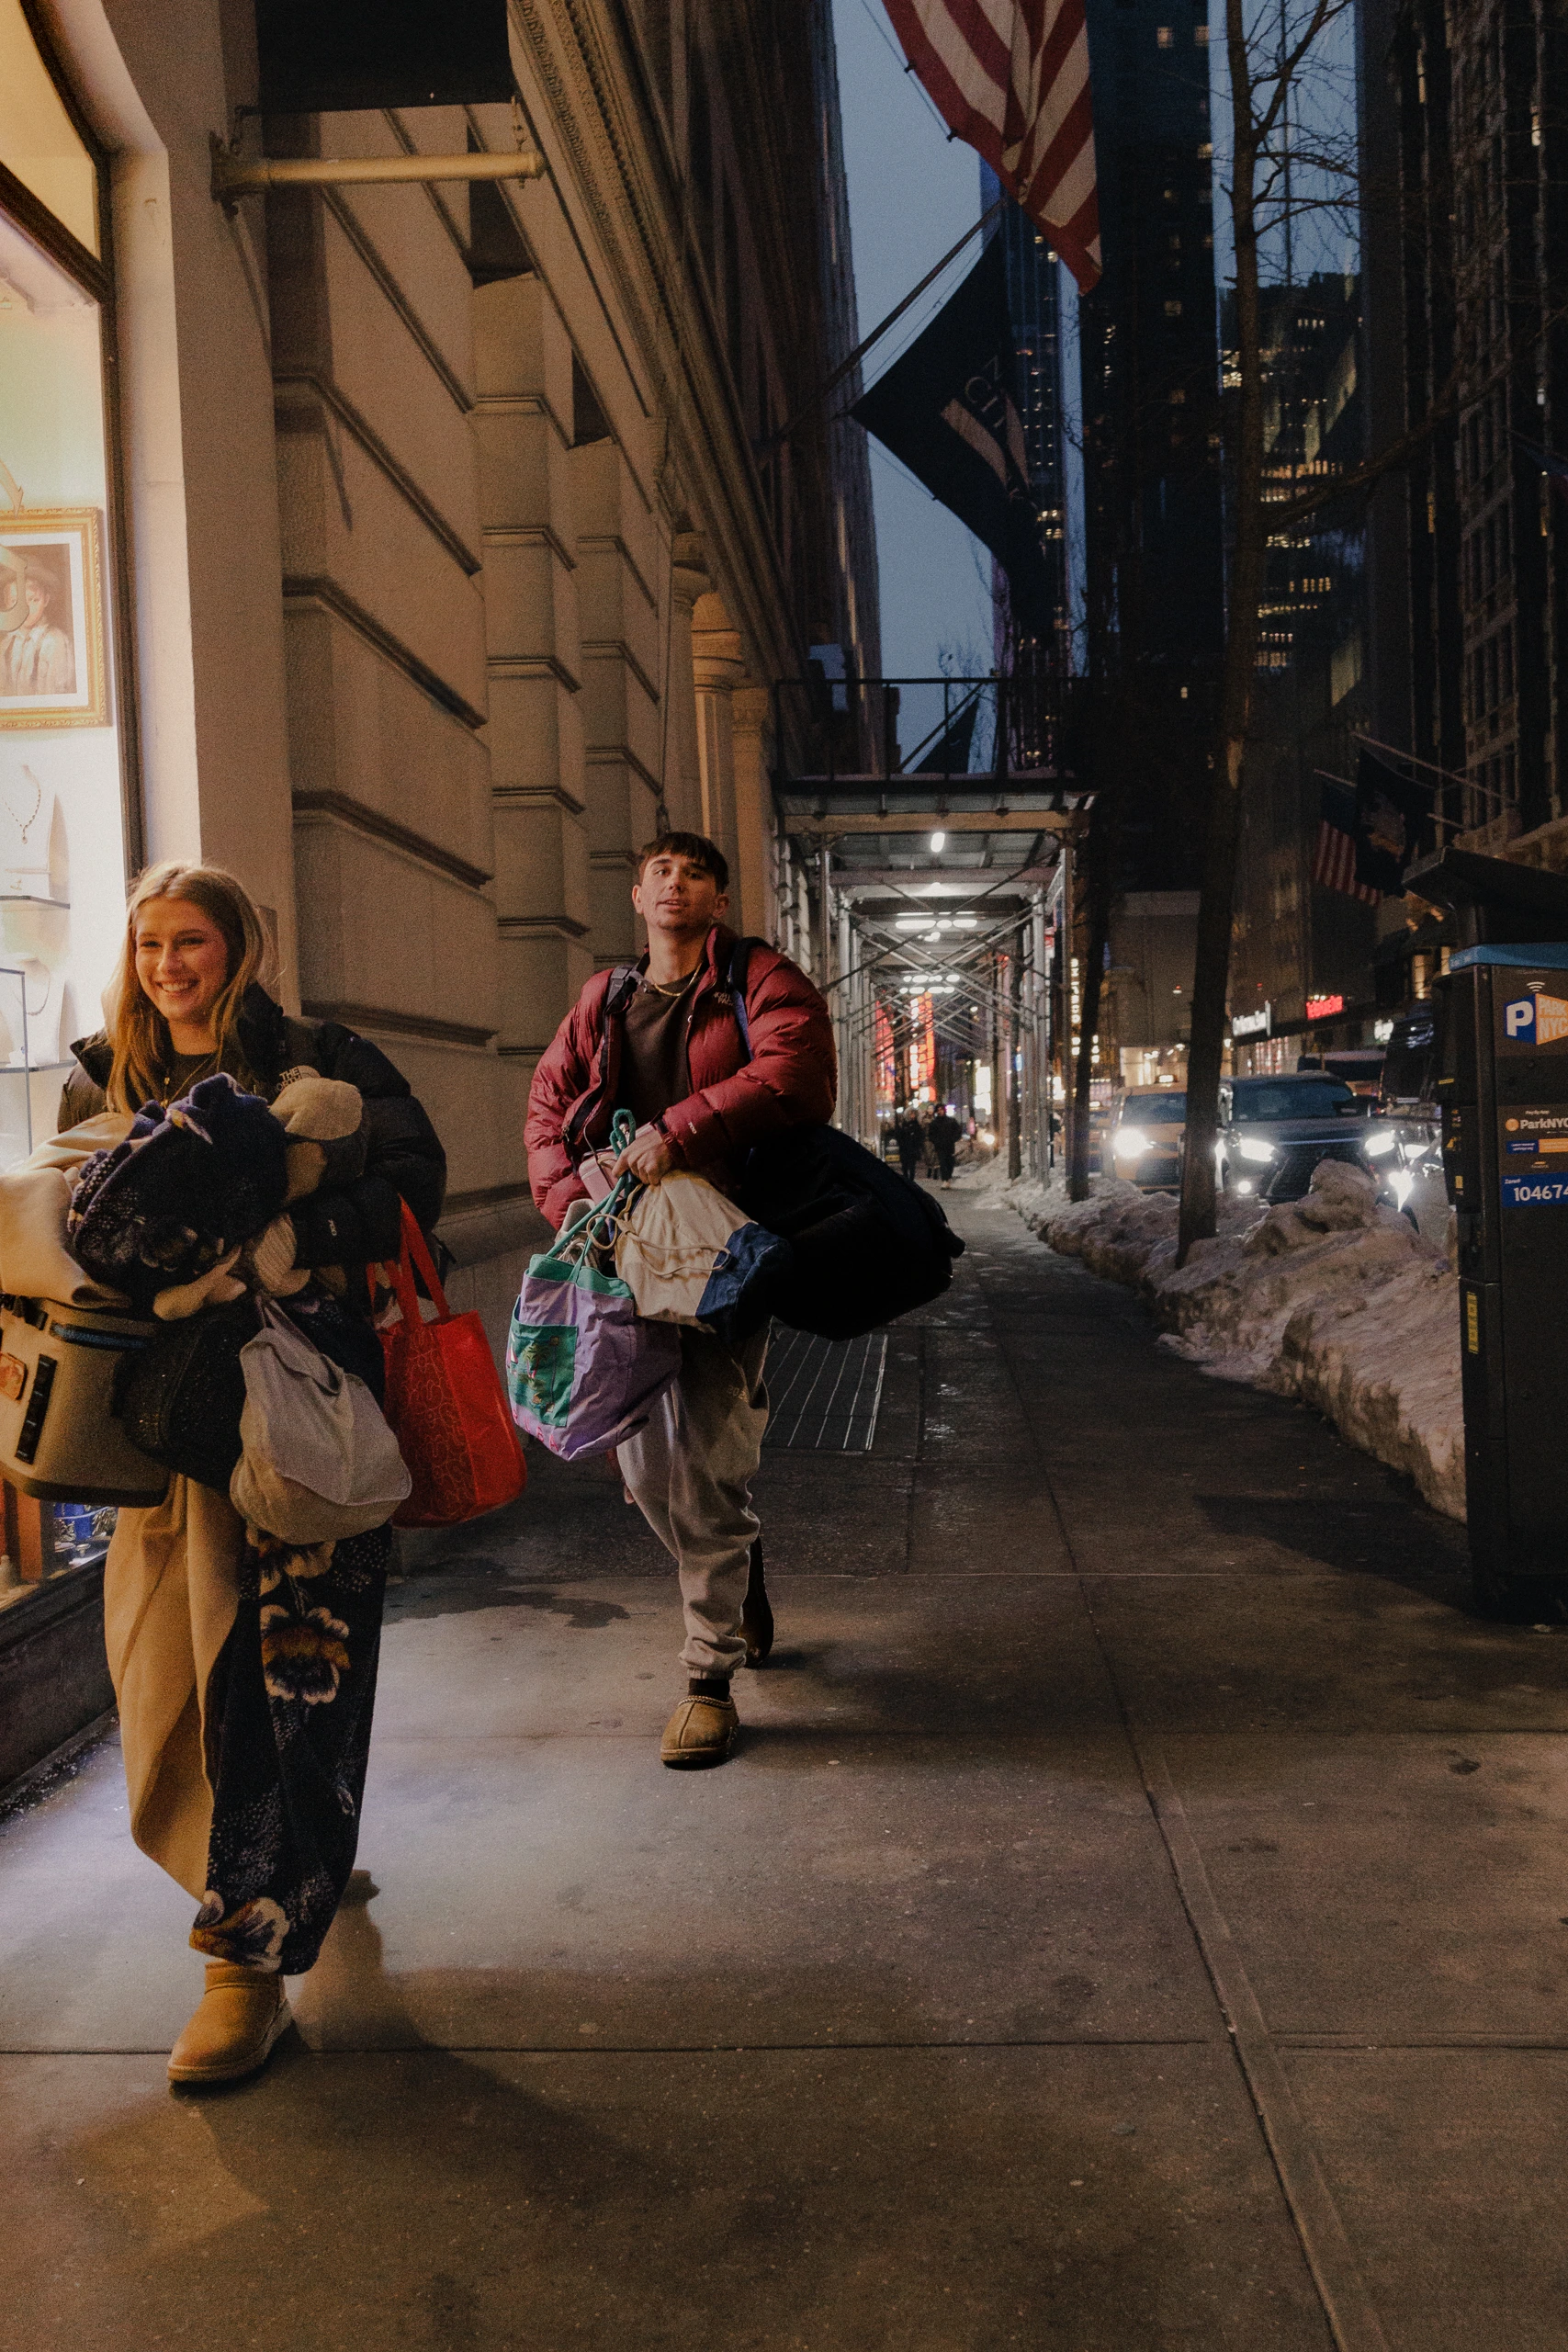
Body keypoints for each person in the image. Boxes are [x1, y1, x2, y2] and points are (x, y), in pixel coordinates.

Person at [58, 860, 446, 2085]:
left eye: (193, 942)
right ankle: (281, 1872)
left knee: (276, 1681)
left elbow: (412, 1191)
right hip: (152, 1426)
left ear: (242, 947)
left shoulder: (318, 1058)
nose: (169, 965)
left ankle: (244, 1960)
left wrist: (293, 1227)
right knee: (165, 1668)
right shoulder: (98, 1073)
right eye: (150, 943)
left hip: (292, 1413)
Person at [526, 831, 833, 1768]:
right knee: (646, 1474)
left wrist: (680, 1128)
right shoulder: (605, 998)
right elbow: (547, 1107)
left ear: (719, 898)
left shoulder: (758, 979)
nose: (676, 884)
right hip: (622, 1257)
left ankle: (707, 1678)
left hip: (724, 1255)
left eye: (695, 872)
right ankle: (735, 1562)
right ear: (636, 895)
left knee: (701, 1460)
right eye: (662, 870)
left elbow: (795, 1071)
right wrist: (569, 1200)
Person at [928, 1107, 962, 1185]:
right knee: (942, 1163)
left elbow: (958, 1131)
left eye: (941, 1109)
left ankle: (948, 1177)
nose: (940, 1111)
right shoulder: (934, 1123)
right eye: (938, 1110)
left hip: (949, 1146)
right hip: (940, 1146)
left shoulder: (951, 1121)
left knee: (950, 1163)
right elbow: (931, 1135)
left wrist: (953, 1139)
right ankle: (945, 1180)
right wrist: (936, 1141)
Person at [894, 1109, 922, 1182]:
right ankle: (906, 1178)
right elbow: (898, 1135)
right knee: (904, 1166)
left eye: (913, 1114)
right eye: (910, 1114)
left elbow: (920, 1137)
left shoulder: (917, 1125)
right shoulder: (903, 1125)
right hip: (904, 1148)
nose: (912, 1115)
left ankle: (911, 1180)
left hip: (913, 1149)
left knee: (912, 1166)